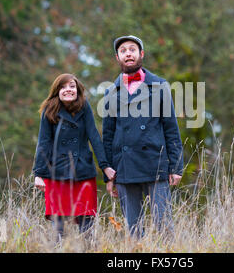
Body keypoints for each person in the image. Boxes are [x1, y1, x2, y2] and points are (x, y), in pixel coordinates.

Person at [102, 35, 184, 239]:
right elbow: (108, 136)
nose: (128, 53)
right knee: (133, 230)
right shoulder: (110, 92)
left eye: (132, 49)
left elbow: (171, 128)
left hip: (155, 164)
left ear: (141, 54)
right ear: (117, 57)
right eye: (123, 50)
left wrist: (175, 166)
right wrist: (108, 175)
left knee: (164, 227)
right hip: (124, 168)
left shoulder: (160, 86)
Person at [32, 73, 116, 243]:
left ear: (77, 89)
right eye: (63, 87)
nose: (67, 90)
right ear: (57, 91)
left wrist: (105, 167)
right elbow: (43, 142)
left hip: (83, 171)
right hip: (57, 174)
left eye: (71, 86)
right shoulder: (49, 110)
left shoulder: (84, 107)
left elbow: (94, 137)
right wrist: (39, 173)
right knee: (59, 224)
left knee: (87, 222)